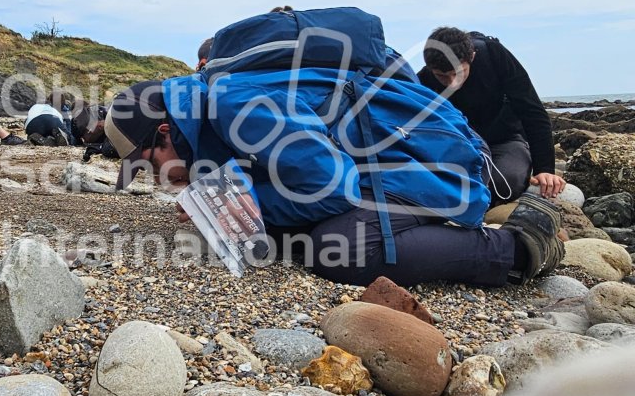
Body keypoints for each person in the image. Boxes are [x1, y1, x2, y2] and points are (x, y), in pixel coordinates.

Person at [102, 72, 565, 288]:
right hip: (369, 169)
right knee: (305, 238)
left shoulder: (234, 106)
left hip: (429, 165)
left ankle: (519, 246)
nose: (156, 180)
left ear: (165, 134)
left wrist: (246, 206)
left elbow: (333, 187)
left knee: (343, 250)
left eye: (146, 166)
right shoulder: (204, 122)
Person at [418, 28, 565, 205]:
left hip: (505, 140)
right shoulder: (424, 78)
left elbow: (532, 111)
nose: (452, 83)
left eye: (457, 73)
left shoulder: (493, 55)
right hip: (460, 145)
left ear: (471, 57)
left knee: (506, 182)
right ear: (430, 68)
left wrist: (545, 168)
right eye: (442, 76)